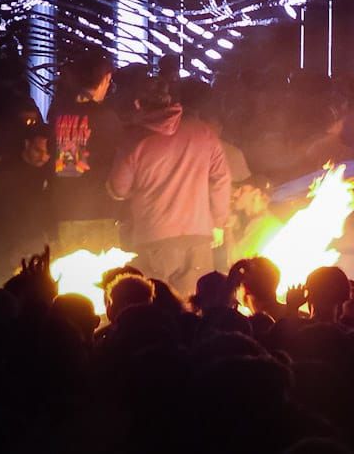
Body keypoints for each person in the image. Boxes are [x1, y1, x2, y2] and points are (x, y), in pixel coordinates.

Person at [108, 77, 231, 294]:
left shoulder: (134, 140)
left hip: (153, 235)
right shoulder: (203, 133)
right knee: (195, 305)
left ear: (138, 104)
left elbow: (118, 188)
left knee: (158, 307)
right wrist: (219, 222)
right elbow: (221, 179)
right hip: (198, 234)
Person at [49, 51, 123, 253]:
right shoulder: (107, 118)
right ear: (105, 79)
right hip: (101, 210)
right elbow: (121, 159)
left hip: (66, 209)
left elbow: (64, 165)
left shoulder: (59, 114)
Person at [0, 123, 54, 259]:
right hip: (6, 244)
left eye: (47, 153)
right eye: (38, 151)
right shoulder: (5, 171)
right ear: (27, 144)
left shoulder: (49, 171)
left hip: (36, 238)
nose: (43, 157)